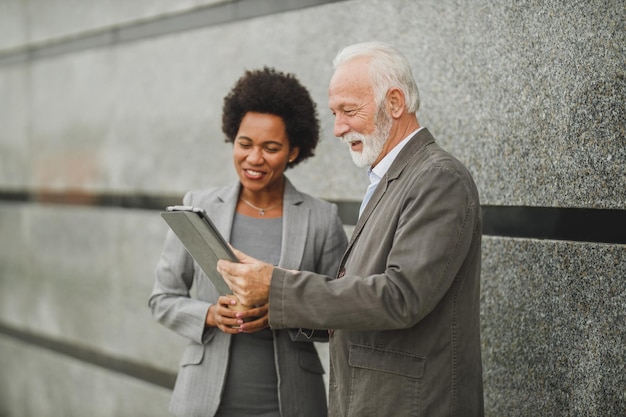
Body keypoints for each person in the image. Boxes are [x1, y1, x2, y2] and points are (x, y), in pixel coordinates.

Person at [217, 42, 484, 416]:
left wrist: (276, 286)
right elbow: (360, 297)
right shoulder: (394, 176)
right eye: (334, 113)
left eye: (349, 111)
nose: (339, 128)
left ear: (394, 103)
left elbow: (400, 297)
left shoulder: (438, 178)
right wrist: (273, 289)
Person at [149, 67, 348, 417]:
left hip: (292, 404)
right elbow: (162, 299)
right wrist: (210, 314)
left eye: (270, 148)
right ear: (233, 138)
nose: (253, 159)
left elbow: (341, 317)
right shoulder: (199, 207)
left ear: (293, 151)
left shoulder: (321, 219)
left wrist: (283, 310)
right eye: (245, 144)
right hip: (204, 401)